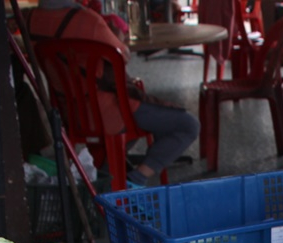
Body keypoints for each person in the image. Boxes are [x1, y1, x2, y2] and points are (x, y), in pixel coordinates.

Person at [27, 0, 200, 187]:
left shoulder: (31, 20)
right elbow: (122, 54)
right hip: (109, 112)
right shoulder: (87, 20)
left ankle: (105, 180)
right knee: (188, 125)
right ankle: (135, 179)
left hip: (71, 114)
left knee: (124, 139)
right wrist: (116, 34)